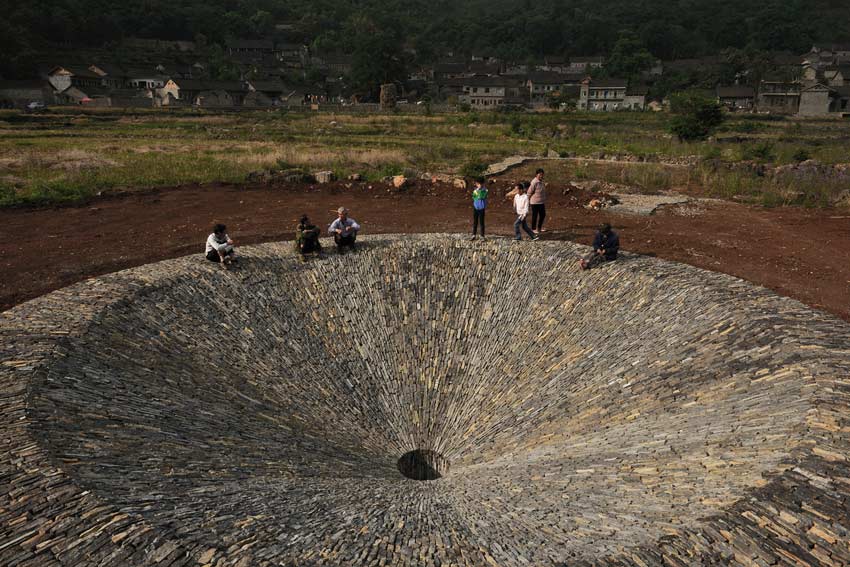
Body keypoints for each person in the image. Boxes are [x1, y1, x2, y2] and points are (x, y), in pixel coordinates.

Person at [528, 168, 547, 234]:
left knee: (543, 214)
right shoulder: (534, 182)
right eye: (540, 174)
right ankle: (533, 228)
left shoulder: (542, 181)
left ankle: (539, 227)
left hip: (541, 202)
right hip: (534, 202)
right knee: (535, 215)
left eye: (542, 174)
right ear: (536, 175)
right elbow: (529, 192)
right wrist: (527, 201)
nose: (541, 176)